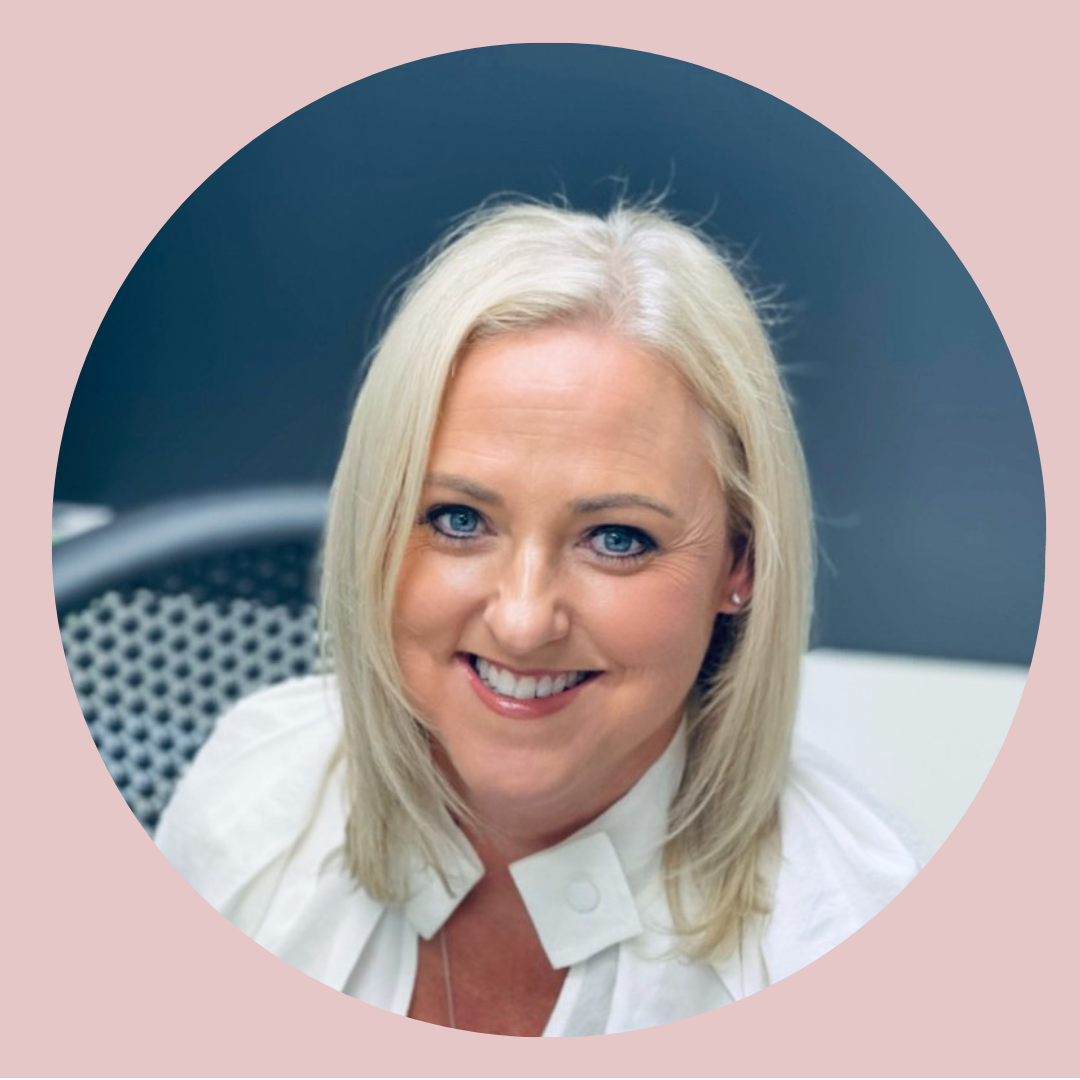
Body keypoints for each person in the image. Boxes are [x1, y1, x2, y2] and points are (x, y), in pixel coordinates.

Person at [156, 199, 923, 1036]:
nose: (523, 622)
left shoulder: (855, 947)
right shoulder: (251, 795)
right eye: (458, 520)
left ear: (740, 565)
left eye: (618, 539)